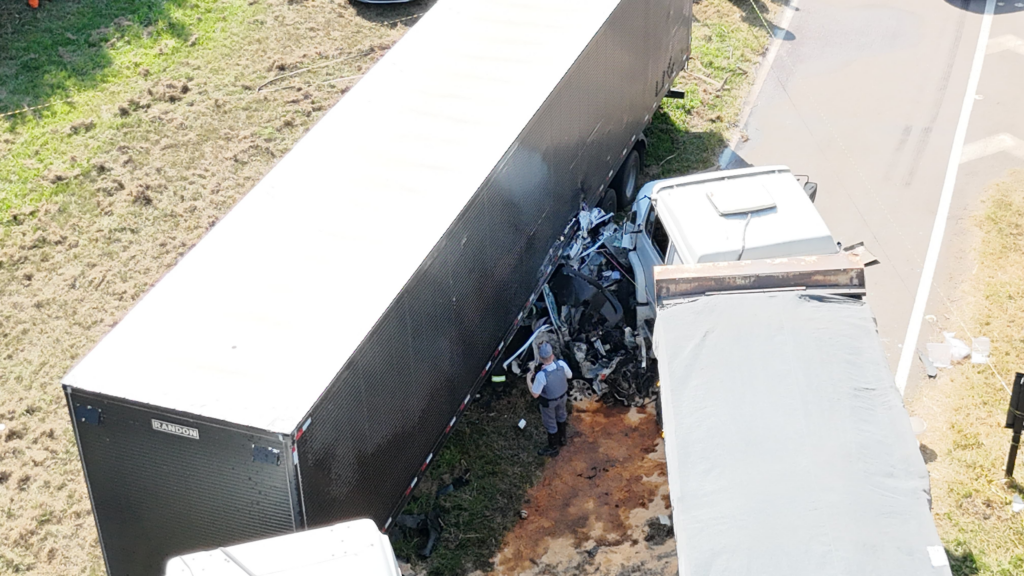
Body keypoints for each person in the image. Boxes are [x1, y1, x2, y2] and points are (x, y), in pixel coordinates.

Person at [527, 342, 571, 456]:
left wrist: (528, 380)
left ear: (541, 358)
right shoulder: (561, 364)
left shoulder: (541, 375)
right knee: (561, 416)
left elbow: (535, 394)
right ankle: (563, 439)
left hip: (549, 402)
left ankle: (553, 448)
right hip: (562, 397)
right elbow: (569, 375)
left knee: (550, 423)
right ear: (552, 355)